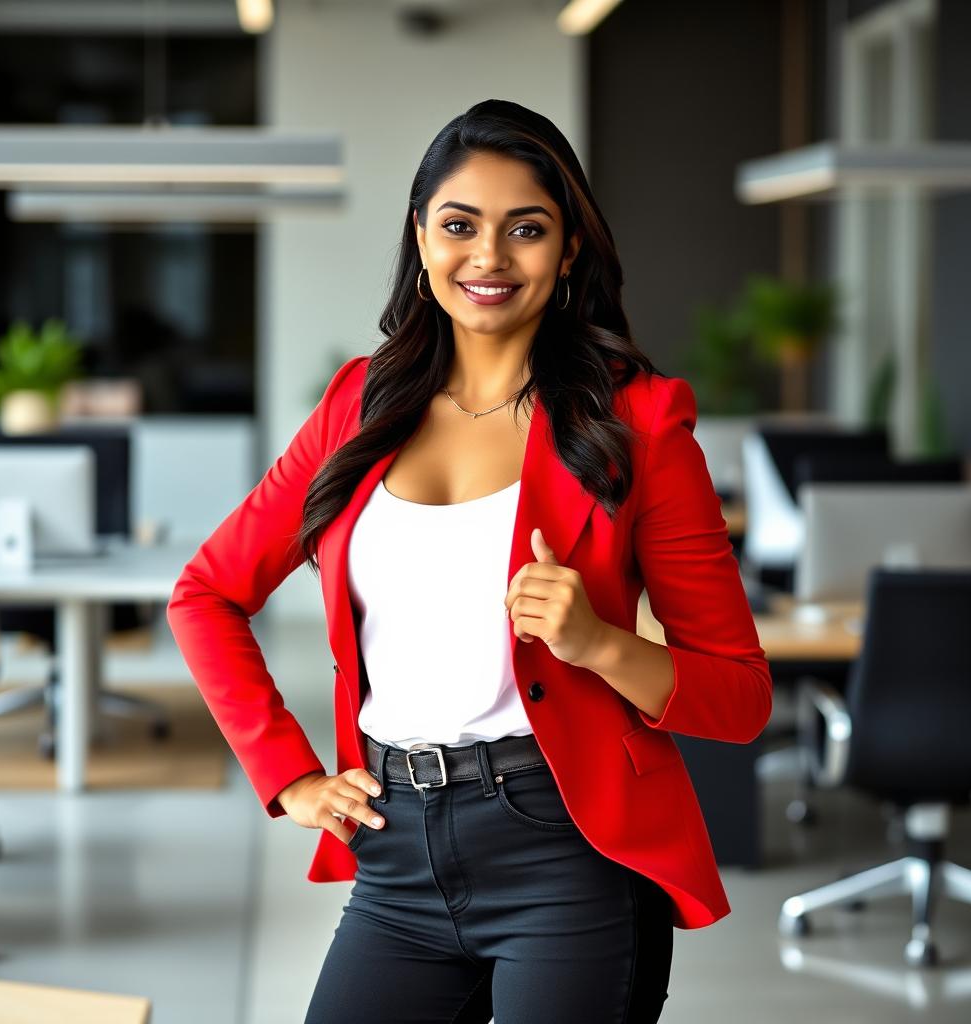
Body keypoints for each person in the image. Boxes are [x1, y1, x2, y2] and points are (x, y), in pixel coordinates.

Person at [167, 98, 773, 1023]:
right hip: (396, 848)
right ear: (420, 237)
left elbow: (739, 696)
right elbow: (206, 592)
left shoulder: (641, 423)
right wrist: (287, 775)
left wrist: (600, 643)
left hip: (565, 850)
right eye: (459, 225)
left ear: (568, 249)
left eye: (525, 229)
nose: (488, 257)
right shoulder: (359, 408)